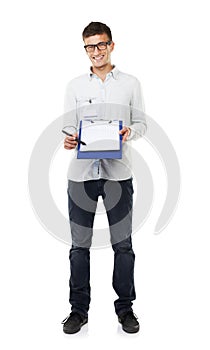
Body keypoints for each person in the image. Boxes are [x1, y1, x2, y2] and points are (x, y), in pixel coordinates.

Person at [61, 21, 147, 334]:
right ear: (85, 49)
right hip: (81, 177)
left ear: (111, 45)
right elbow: (69, 126)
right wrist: (69, 139)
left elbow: (141, 122)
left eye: (101, 45)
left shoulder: (131, 83)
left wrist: (130, 131)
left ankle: (126, 309)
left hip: (118, 175)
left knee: (123, 246)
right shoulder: (74, 86)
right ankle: (77, 311)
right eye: (89, 46)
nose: (95, 52)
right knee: (78, 247)